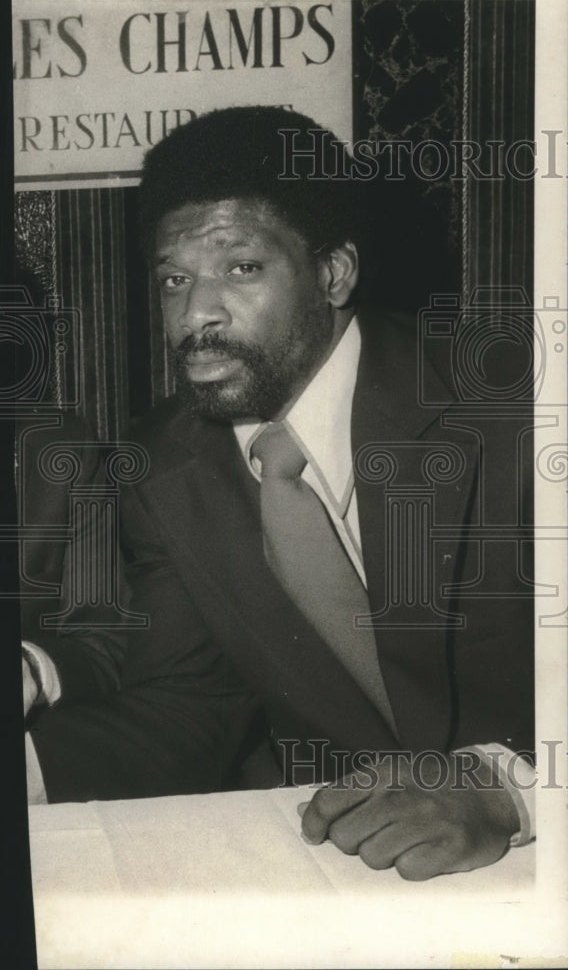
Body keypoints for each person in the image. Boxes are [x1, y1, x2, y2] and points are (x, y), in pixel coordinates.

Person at [24, 105, 535, 880]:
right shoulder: (159, 466)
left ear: (333, 274)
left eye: (241, 269)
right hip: (343, 867)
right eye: (174, 279)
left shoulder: (513, 406)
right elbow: (189, 706)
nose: (196, 314)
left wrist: (511, 786)